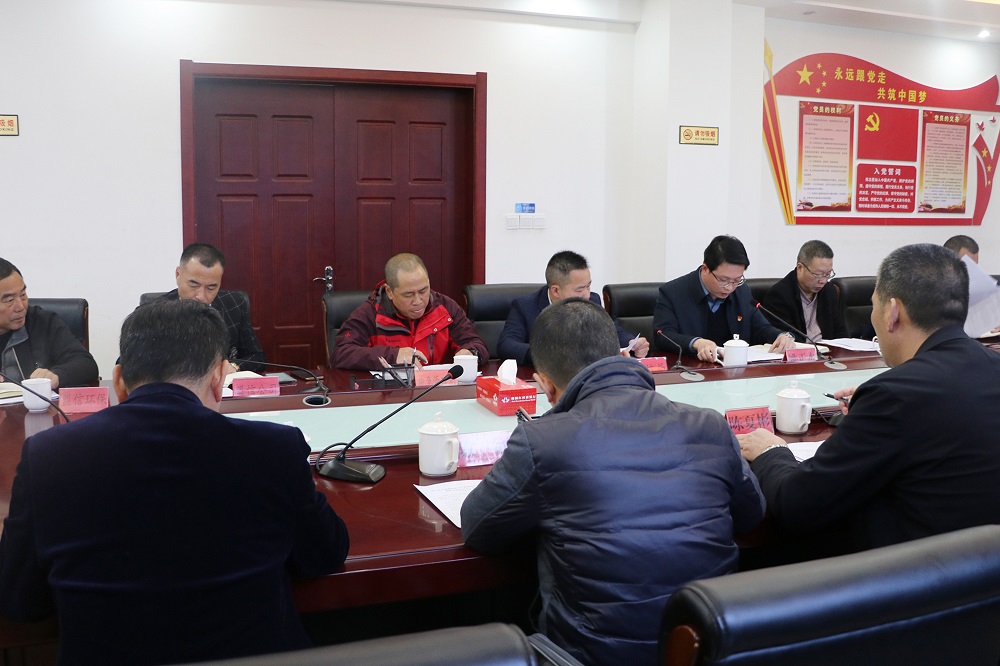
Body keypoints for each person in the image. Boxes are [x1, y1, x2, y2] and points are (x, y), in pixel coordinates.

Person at [0, 299, 349, 665]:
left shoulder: (48, 457)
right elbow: (324, 555)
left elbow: (19, 601)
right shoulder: (275, 449)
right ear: (219, 378)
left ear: (118, 381)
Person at [462, 298, 765, 666]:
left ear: (545, 386)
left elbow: (478, 527)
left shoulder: (541, 440)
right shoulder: (710, 424)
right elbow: (752, 514)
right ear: (620, 353)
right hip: (711, 648)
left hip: (594, 656)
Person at [739, 243, 1000, 552]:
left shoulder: (893, 396)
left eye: (874, 305)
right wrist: (869, 411)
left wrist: (771, 452)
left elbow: (797, 504)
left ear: (892, 312)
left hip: (908, 570)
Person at [331, 252, 488, 370]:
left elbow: (476, 344)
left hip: (438, 392)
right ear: (389, 292)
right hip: (389, 395)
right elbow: (341, 354)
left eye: (423, 291)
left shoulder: (446, 308)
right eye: (408, 295)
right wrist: (394, 355)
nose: (418, 301)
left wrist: (471, 353)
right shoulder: (369, 314)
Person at [652, 235, 797, 362]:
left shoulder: (741, 292)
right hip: (690, 371)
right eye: (723, 280)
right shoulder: (673, 292)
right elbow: (663, 335)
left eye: (737, 280)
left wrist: (782, 336)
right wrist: (696, 343)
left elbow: (761, 328)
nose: (730, 287)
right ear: (705, 269)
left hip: (734, 371)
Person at [496, 250, 650, 365]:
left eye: (588, 286)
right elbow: (506, 345)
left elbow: (611, 330)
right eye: (579, 289)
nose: (587, 295)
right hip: (546, 378)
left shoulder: (592, 300)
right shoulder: (525, 306)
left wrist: (631, 343)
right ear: (556, 291)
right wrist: (548, 354)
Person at [158, 242, 266, 373]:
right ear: (178, 275)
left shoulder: (234, 304)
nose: (201, 296)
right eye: (194, 285)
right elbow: (142, 367)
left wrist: (233, 367)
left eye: (211, 287)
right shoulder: (153, 313)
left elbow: (257, 358)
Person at [0, 258, 98, 389]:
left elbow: (86, 364)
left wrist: (57, 375)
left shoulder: (43, 322)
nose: (21, 307)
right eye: (10, 300)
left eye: (23, 295)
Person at [761, 240, 848, 341]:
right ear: (800, 268)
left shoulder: (828, 290)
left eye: (827, 274)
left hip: (828, 349)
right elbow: (785, 337)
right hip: (800, 350)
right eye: (818, 274)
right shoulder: (779, 295)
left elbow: (840, 331)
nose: (823, 281)